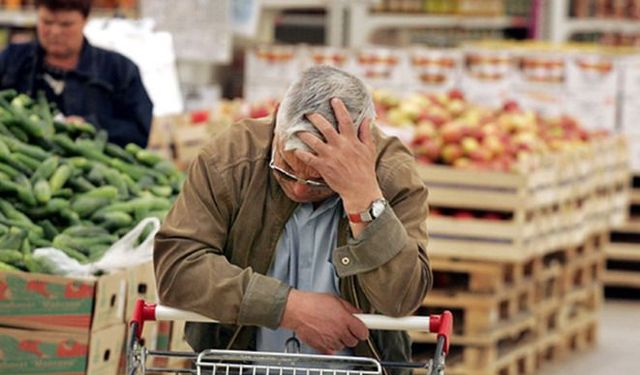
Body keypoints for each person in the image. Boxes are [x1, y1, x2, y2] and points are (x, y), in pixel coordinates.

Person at [154, 65, 432, 372]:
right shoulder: (230, 159)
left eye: (319, 180)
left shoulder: (391, 175)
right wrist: (288, 307)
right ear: (276, 124)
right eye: (286, 166)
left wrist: (363, 197)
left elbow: (401, 299)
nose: (299, 188)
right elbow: (178, 268)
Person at [0, 0, 153, 147]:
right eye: (47, 22)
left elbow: (140, 131)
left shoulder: (119, 70)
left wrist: (91, 125)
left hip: (95, 169)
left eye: (66, 24)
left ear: (85, 20)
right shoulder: (12, 60)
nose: (55, 31)